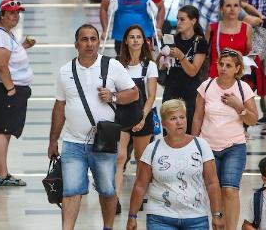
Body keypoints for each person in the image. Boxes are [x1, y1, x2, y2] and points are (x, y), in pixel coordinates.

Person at [48, 24, 138, 230]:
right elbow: (59, 106)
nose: (89, 44)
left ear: (98, 42)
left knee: (107, 190)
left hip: (104, 141)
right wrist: (53, 140)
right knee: (70, 191)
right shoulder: (64, 72)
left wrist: (113, 96)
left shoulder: (112, 66)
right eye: (84, 39)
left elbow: (134, 93)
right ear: (76, 44)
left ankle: (108, 227)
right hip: (72, 142)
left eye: (93, 39)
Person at [126, 99, 224, 230]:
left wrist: (216, 215)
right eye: (173, 118)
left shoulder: (201, 145)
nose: (179, 122)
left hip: (196, 217)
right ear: (164, 123)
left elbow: (212, 183)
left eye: (182, 117)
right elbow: (140, 186)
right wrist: (132, 216)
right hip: (160, 217)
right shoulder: (152, 149)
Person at [193, 48, 258, 230]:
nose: (223, 68)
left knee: (229, 190)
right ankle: (218, 225)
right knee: (215, 193)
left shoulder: (243, 88)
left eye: (228, 65)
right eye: (221, 64)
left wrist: (239, 107)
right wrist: (193, 142)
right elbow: (198, 116)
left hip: (234, 147)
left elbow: (253, 119)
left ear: (237, 69)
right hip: (208, 147)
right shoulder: (206, 86)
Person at [0, 0, 35, 186]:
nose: (15, 16)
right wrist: (10, 88)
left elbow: (8, 56)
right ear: (1, 14)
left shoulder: (3, 33)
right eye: (10, 13)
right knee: (2, 131)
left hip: (0, 87)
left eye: (17, 13)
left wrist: (24, 47)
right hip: (2, 88)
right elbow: (1, 65)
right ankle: (2, 176)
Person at [114, 25, 158, 216]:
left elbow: (151, 95)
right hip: (120, 117)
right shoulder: (117, 64)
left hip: (142, 118)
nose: (135, 40)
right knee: (119, 158)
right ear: (125, 40)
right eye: (131, 37)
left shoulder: (150, 66)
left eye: (139, 37)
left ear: (144, 41)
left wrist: (143, 117)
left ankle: (138, 197)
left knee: (141, 160)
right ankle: (114, 199)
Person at [160, 5, 208, 134]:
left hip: (190, 92)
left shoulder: (200, 42)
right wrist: (163, 60)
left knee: (188, 128)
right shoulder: (172, 40)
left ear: (193, 21)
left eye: (182, 19)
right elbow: (160, 66)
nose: (178, 23)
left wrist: (181, 57)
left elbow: (193, 71)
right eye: (177, 19)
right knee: (168, 130)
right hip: (171, 90)